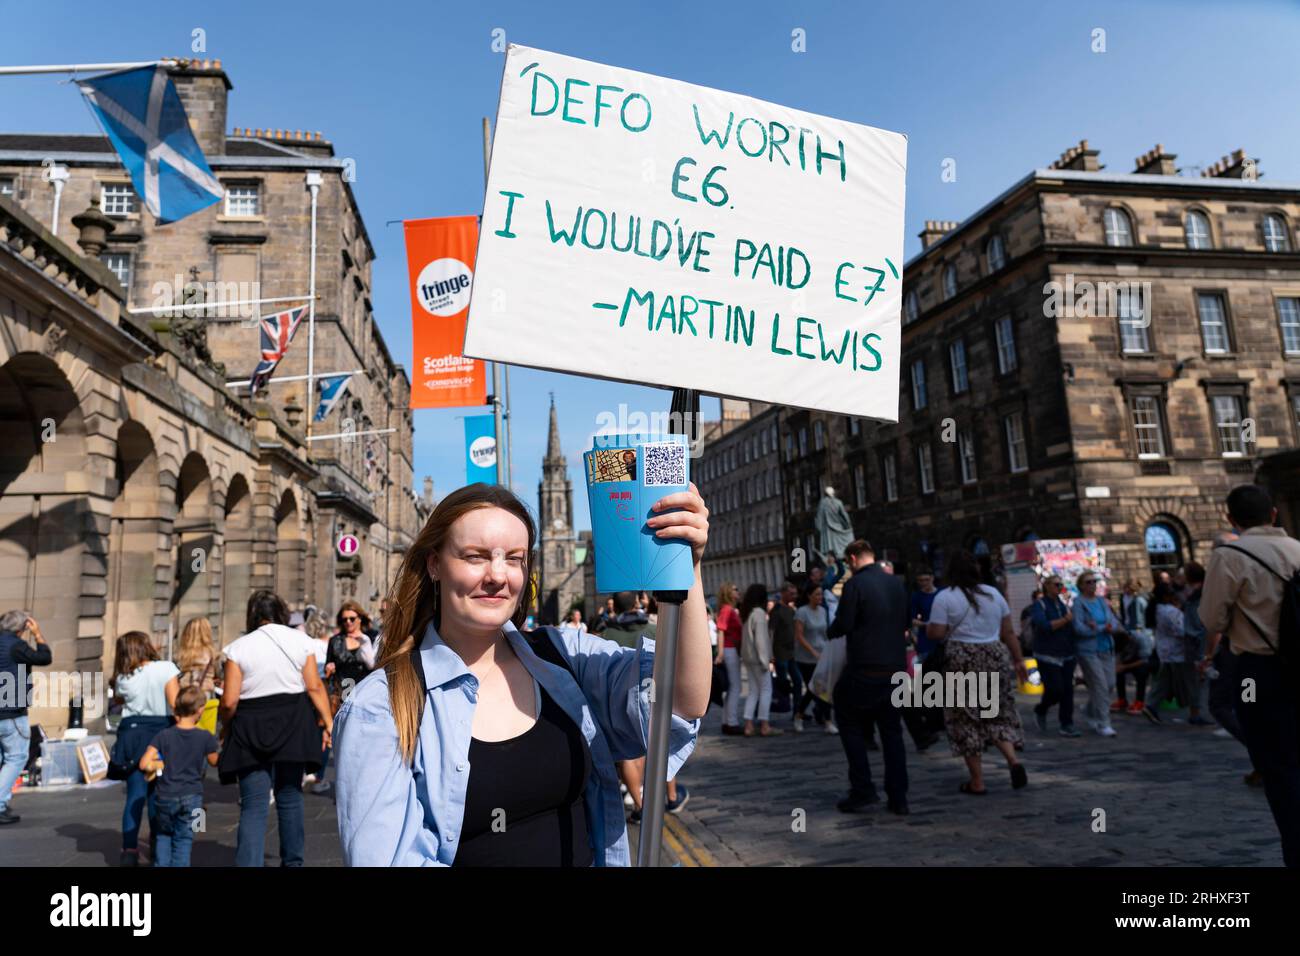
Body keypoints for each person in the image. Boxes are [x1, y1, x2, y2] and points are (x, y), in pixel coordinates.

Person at [333, 481, 709, 866]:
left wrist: (687, 569)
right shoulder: (380, 707)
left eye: (513, 558)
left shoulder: (565, 656)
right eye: (475, 556)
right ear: (434, 564)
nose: (498, 574)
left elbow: (679, 701)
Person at [1200, 484, 1300, 865]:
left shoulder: (1231, 555)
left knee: (1277, 765)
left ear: (1231, 519)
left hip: (1256, 672)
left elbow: (1212, 619)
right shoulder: (1297, 550)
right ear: (1274, 514)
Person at [220, 590, 331, 867]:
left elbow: (230, 700)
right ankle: (293, 863)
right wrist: (329, 724)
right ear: (281, 612)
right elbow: (314, 686)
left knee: (254, 805)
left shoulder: (238, 648)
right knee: (290, 796)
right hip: (294, 719)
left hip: (249, 723)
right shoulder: (300, 640)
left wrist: (225, 726)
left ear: (253, 614)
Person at [927, 550, 1028, 796]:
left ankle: (977, 782)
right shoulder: (993, 594)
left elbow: (936, 634)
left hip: (963, 659)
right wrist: (1019, 659)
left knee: (966, 720)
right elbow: (1008, 632)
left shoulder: (945, 597)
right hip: (995, 655)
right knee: (996, 714)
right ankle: (1013, 760)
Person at [826, 539, 910, 814]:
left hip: (865, 669)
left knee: (847, 718)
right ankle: (899, 797)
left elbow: (844, 624)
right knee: (892, 733)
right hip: (895, 671)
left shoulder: (855, 585)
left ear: (852, 558)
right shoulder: (896, 583)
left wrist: (832, 629)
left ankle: (863, 789)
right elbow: (906, 623)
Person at [601, 590, 690, 822]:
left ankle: (642, 808)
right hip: (652, 693)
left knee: (628, 756)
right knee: (661, 745)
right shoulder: (652, 628)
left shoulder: (606, 632)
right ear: (637, 603)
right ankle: (671, 797)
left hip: (620, 698)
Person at [110, 631, 179, 866]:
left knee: (136, 794)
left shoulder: (122, 678)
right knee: (157, 793)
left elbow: (119, 700)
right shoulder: (166, 668)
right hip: (160, 731)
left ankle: (129, 850)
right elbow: (174, 702)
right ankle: (158, 846)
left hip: (131, 733)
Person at [138, 685, 219, 867]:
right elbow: (215, 761)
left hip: (165, 795)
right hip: (193, 796)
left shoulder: (164, 735)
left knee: (163, 835)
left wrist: (158, 764)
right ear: (200, 710)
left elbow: (143, 764)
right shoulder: (205, 737)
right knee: (184, 839)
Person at [0, 611, 52, 826]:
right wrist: (38, 634)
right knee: (16, 758)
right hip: (11, 713)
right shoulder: (16, 645)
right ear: (22, 628)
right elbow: (44, 657)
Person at [1072, 572, 1124, 737]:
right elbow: (1079, 628)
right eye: (1089, 582)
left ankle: (1089, 711)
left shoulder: (1102, 601)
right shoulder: (1078, 604)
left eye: (1095, 581)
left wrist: (1105, 627)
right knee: (1100, 685)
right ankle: (1104, 723)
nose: (1093, 584)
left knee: (1109, 684)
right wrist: (1101, 628)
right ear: (1081, 585)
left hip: (1106, 647)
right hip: (1089, 651)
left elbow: (1113, 622)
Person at [1029, 576, 1078, 736]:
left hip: (1066, 652)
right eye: (1056, 584)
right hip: (1047, 654)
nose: (1059, 587)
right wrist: (1065, 620)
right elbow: (1044, 626)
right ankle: (1041, 708)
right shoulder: (1040, 605)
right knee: (1056, 689)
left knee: (1068, 690)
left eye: (1061, 584)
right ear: (1047, 586)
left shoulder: (1063, 605)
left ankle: (1066, 723)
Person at [1142, 585, 1194, 724]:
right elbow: (1181, 630)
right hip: (1176, 652)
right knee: (1182, 682)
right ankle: (1194, 710)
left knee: (1165, 681)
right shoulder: (1169, 611)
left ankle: (1151, 705)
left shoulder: (1156, 610)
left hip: (1165, 651)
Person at [740, 583, 781, 737]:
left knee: (753, 692)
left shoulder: (748, 613)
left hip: (748, 658)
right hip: (758, 659)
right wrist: (767, 661)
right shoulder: (759, 614)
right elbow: (761, 641)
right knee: (765, 690)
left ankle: (748, 725)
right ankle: (764, 724)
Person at [793, 583, 835, 733]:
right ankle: (808, 716)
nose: (820, 597)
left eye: (821, 594)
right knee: (814, 688)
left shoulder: (823, 611)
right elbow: (799, 635)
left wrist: (828, 649)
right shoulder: (801, 612)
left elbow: (825, 633)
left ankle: (825, 720)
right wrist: (812, 651)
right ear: (809, 596)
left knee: (822, 688)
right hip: (805, 658)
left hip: (822, 654)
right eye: (817, 594)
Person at [175, 617, 222, 735]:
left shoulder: (180, 657)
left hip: (184, 698)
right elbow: (219, 675)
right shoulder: (213, 655)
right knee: (207, 737)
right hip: (205, 699)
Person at [716, 582, 744, 736]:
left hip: (730, 650)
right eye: (735, 589)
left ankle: (727, 721)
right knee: (735, 687)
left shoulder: (729, 609)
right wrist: (720, 653)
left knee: (733, 687)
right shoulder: (727, 609)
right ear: (728, 592)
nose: (738, 591)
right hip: (729, 650)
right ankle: (731, 722)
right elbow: (721, 630)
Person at [769, 583, 798, 722]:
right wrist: (771, 654)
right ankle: (782, 705)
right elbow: (771, 632)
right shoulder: (777, 610)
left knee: (797, 681)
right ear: (784, 593)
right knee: (783, 683)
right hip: (780, 653)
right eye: (791, 593)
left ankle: (797, 711)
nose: (794, 596)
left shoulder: (791, 609)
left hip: (792, 653)